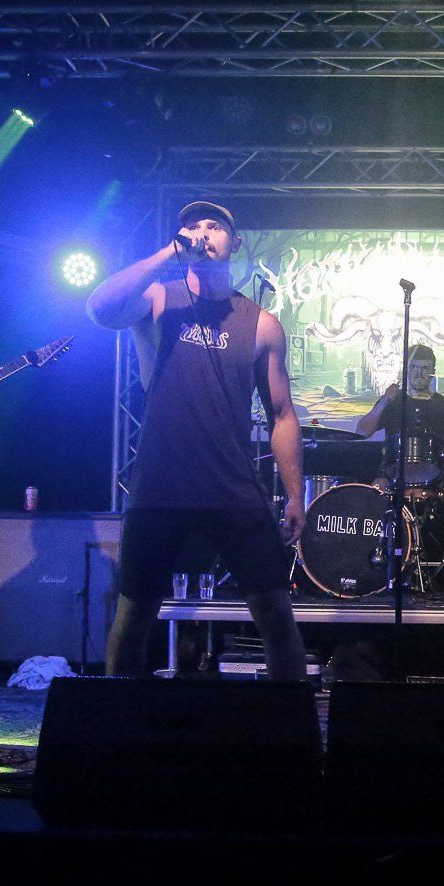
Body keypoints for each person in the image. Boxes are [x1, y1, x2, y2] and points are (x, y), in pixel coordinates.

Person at [87, 199, 307, 680]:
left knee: (275, 612)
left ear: (236, 242)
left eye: (214, 226)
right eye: (192, 226)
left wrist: (295, 494)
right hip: (160, 485)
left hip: (233, 486)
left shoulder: (261, 323)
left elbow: (282, 414)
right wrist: (169, 252)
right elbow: (100, 309)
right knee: (133, 615)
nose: (202, 233)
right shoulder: (158, 298)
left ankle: (295, 720)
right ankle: (116, 718)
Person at [356, 344, 444, 566]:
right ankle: (373, 563)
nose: (419, 373)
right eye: (414, 367)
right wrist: (385, 400)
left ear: (433, 370)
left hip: (435, 475)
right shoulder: (394, 402)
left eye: (425, 368)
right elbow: (363, 430)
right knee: (373, 495)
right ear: (406, 369)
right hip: (393, 473)